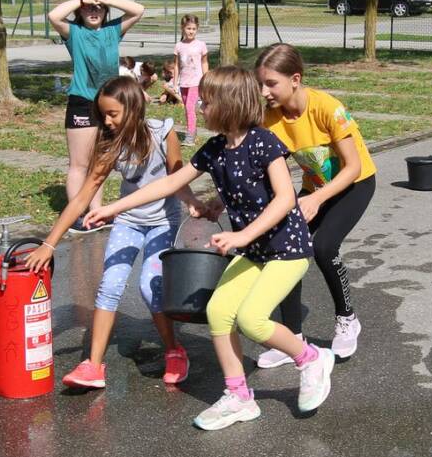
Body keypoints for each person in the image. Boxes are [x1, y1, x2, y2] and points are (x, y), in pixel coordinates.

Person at [86, 66, 335, 431]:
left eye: (206, 100)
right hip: (252, 249)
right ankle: (239, 397)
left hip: (288, 247)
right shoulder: (216, 149)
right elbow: (172, 182)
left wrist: (241, 235)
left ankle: (311, 359)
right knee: (219, 310)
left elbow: (284, 200)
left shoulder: (264, 143)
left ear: (229, 105)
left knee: (252, 318)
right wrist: (112, 207)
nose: (199, 105)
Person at [25, 76, 203, 389]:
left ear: (133, 110)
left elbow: (178, 178)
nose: (106, 122)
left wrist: (192, 203)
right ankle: (93, 365)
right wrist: (48, 244)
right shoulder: (110, 145)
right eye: (103, 114)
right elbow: (81, 197)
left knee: (150, 287)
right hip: (128, 221)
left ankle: (174, 350)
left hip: (163, 221)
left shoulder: (163, 133)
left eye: (112, 114)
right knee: (110, 283)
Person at [254, 43, 376, 363]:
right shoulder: (270, 118)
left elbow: (354, 167)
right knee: (286, 248)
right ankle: (292, 338)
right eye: (260, 84)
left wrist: (317, 199)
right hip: (314, 190)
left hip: (354, 185)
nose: (264, 92)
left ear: (295, 79)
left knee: (324, 247)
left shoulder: (326, 108)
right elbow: (264, 168)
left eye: (271, 84)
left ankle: (347, 318)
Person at [48, 0, 145, 232]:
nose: (94, 10)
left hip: (108, 104)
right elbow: (54, 16)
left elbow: (138, 10)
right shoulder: (75, 32)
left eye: (99, 8)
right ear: (80, 11)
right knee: (80, 164)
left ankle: (96, 213)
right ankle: (76, 216)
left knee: (100, 162)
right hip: (82, 102)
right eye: (89, 8)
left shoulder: (113, 30)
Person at [174, 15, 209, 146]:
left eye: (194, 29)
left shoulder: (201, 45)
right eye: (188, 28)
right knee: (188, 109)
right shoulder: (178, 46)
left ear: (197, 29)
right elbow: (177, 65)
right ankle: (192, 131)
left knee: (190, 107)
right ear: (183, 28)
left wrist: (206, 79)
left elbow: (205, 63)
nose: (191, 31)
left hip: (196, 82)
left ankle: (190, 137)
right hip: (184, 82)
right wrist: (175, 82)